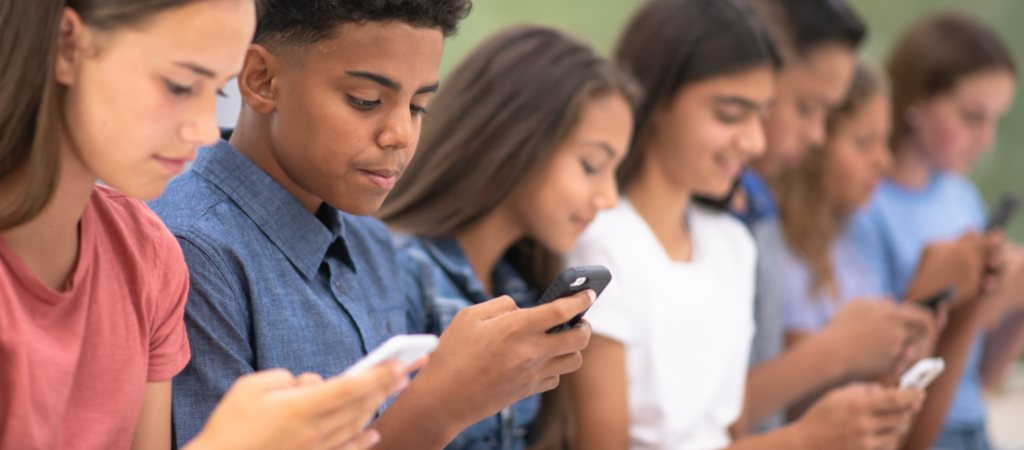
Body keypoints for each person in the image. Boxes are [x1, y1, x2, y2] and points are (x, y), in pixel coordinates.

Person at [148, 1, 596, 449]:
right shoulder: (191, 252)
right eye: (366, 101)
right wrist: (440, 406)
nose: (400, 133)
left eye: (419, 106)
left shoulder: (372, 244)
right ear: (262, 81)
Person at [0, 1, 407, 449]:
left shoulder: (146, 253)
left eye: (214, 93)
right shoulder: (184, 239)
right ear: (67, 45)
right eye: (180, 85)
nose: (204, 130)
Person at [565, 1, 921, 449]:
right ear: (657, 98)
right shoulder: (602, 245)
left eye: (761, 114)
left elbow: (730, 432)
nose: (753, 141)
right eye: (729, 115)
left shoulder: (732, 243)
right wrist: (804, 440)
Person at [378, 25, 638, 450]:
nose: (608, 197)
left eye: (616, 172)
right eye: (592, 165)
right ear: (515, 140)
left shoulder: (520, 286)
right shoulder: (398, 272)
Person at [850, 12, 1021, 450]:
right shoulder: (868, 205)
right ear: (917, 99)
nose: (985, 139)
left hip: (970, 422)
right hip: (914, 427)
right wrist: (973, 300)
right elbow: (874, 361)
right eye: (970, 117)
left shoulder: (960, 196)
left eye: (994, 121)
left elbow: (982, 371)